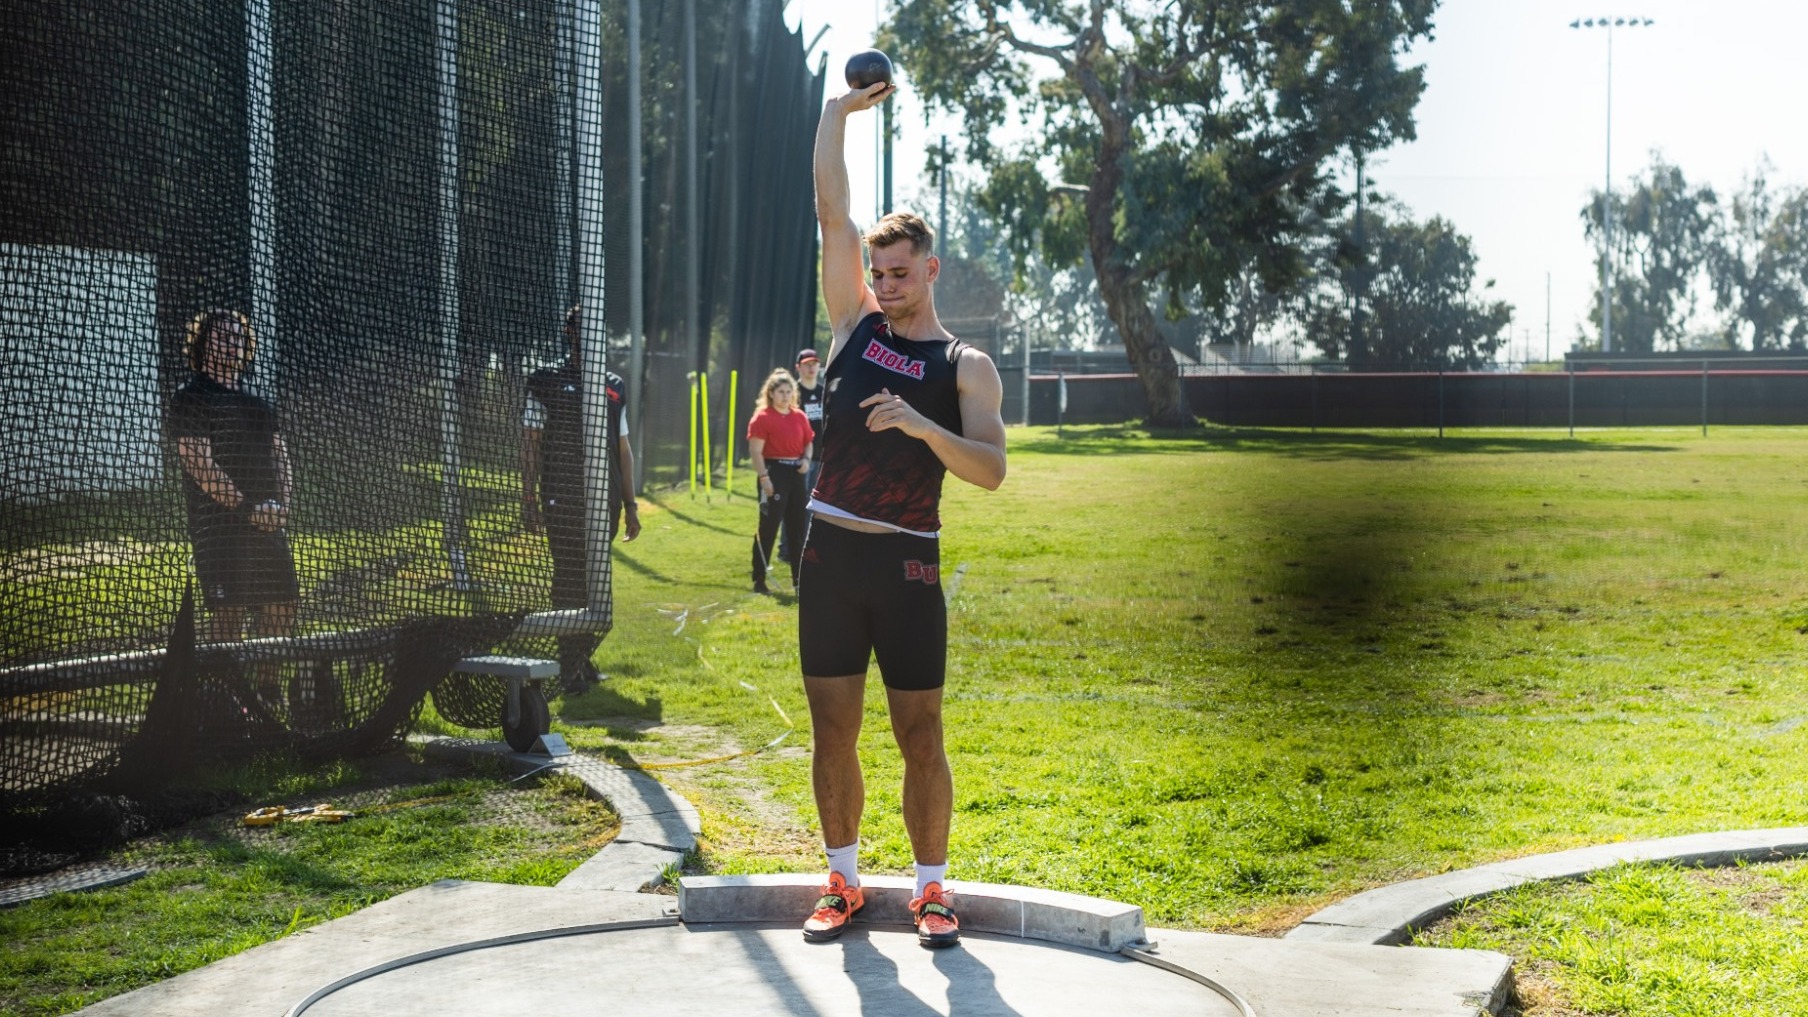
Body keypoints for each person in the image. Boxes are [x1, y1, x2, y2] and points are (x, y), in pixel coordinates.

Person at [798, 78, 1008, 949]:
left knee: (920, 730)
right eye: (875, 273)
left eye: (899, 272)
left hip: (909, 566)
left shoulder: (966, 366)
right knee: (832, 727)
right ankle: (842, 878)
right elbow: (831, 211)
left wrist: (923, 424)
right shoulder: (851, 325)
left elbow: (992, 470)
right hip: (830, 562)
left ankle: (931, 890)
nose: (884, 284)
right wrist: (836, 116)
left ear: (931, 269)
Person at [170, 308, 299, 707]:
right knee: (230, 610)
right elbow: (199, 464)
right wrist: (246, 510)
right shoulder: (191, 397)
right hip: (221, 526)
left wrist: (283, 508)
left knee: (283, 604)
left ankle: (267, 693)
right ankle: (227, 700)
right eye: (221, 336)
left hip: (267, 523)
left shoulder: (257, 403)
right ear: (202, 344)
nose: (231, 343)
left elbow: (281, 458)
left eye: (237, 337)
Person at [523, 304, 641, 696]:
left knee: (595, 582)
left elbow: (622, 449)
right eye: (582, 329)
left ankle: (581, 658)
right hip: (562, 495)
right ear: (569, 333)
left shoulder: (613, 385)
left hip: (604, 499)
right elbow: (530, 442)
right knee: (569, 577)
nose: (591, 336)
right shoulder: (545, 379)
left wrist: (630, 504)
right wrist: (529, 498)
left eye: (597, 329)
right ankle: (566, 665)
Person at [746, 368, 814, 594]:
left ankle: (798, 581)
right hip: (773, 473)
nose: (785, 395)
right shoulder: (762, 418)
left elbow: (808, 442)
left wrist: (806, 459)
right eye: (781, 391)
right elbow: (756, 451)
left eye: (789, 391)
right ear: (771, 393)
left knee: (798, 529)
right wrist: (764, 477)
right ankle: (759, 580)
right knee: (768, 527)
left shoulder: (799, 416)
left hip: (796, 474)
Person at [778, 347, 825, 564]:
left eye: (814, 363)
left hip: (820, 456)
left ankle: (804, 546)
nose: (811, 367)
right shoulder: (792, 393)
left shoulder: (824, 391)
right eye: (807, 364)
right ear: (798, 367)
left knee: (812, 505)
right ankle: (786, 549)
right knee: (794, 504)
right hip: (797, 458)